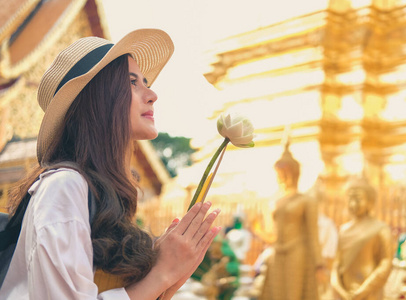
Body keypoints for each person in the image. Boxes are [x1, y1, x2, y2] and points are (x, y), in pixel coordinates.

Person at [0, 29, 221, 299]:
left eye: (146, 81)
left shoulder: (104, 195)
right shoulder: (64, 187)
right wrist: (160, 274)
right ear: (98, 99)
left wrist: (168, 279)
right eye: (132, 83)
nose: (152, 94)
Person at [260, 142, 323, 300]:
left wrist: (319, 264)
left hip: (297, 252)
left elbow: (313, 234)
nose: (282, 177)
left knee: (292, 294)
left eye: (286, 173)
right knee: (275, 293)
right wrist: (259, 231)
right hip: (276, 253)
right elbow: (271, 234)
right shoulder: (274, 201)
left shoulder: (306, 201)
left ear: (295, 174)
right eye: (279, 173)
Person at [330, 177, 392, 300]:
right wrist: (340, 290)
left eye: (358, 199)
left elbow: (386, 263)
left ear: (370, 201)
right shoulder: (343, 230)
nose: (353, 204)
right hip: (344, 292)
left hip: (369, 292)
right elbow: (336, 264)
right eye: (350, 199)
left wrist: (364, 290)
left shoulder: (380, 228)